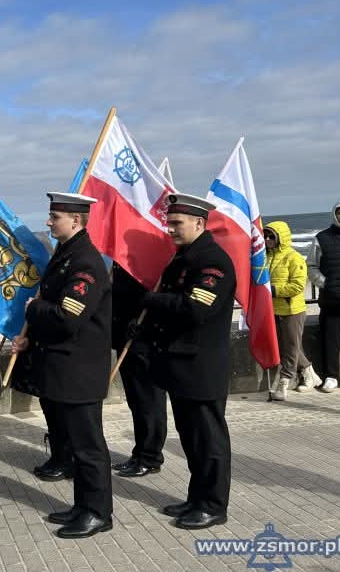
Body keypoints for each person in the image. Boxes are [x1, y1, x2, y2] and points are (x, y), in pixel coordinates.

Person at [12, 192, 113, 539]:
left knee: (88, 447)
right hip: (64, 367)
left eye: (55, 217)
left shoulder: (85, 262)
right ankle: (83, 505)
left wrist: (33, 309)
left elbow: (68, 317)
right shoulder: (66, 255)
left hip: (79, 370)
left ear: (76, 220)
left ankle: (98, 512)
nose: (49, 222)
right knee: (76, 445)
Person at [136, 194, 236, 530]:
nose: (171, 229)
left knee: (209, 441)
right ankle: (196, 498)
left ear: (199, 223)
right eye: (170, 222)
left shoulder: (212, 262)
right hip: (181, 366)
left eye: (177, 223)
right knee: (192, 440)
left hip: (201, 367)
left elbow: (195, 308)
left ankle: (213, 505)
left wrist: (151, 300)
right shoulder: (183, 258)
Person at [110, 262, 167, 477]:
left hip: (144, 343)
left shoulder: (145, 263)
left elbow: (154, 299)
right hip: (126, 340)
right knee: (136, 402)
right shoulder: (120, 264)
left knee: (148, 402)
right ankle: (140, 452)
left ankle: (151, 457)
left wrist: (143, 325)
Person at [264, 221, 321, 400]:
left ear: (281, 237)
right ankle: (310, 374)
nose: (267, 239)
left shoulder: (294, 257)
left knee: (289, 348)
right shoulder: (266, 257)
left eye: (271, 236)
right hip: (274, 309)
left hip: (292, 310)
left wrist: (273, 290)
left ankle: (285, 382)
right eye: (265, 236)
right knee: (290, 345)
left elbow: (297, 286)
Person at [308, 199, 340, 393]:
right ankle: (331, 377)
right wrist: (327, 284)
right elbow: (311, 267)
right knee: (330, 341)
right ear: (334, 214)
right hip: (332, 302)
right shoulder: (321, 238)